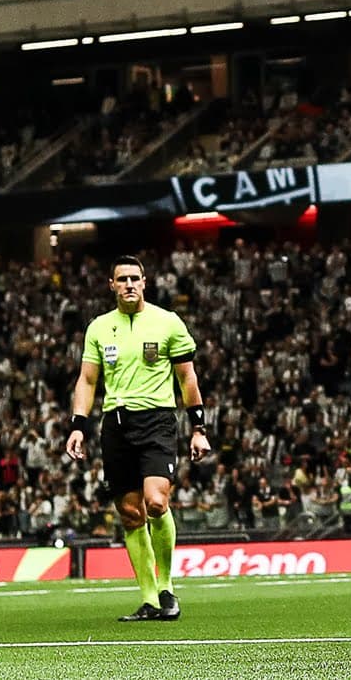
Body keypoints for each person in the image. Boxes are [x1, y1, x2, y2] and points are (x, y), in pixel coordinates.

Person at [65, 255, 211, 622]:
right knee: (130, 514)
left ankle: (166, 587)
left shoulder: (168, 323)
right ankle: (149, 598)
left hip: (157, 421)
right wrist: (77, 425)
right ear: (111, 285)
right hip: (115, 424)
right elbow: (87, 380)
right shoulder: (99, 327)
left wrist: (198, 428)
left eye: (135, 278)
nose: (129, 284)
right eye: (122, 279)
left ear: (145, 282)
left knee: (156, 502)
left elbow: (187, 378)